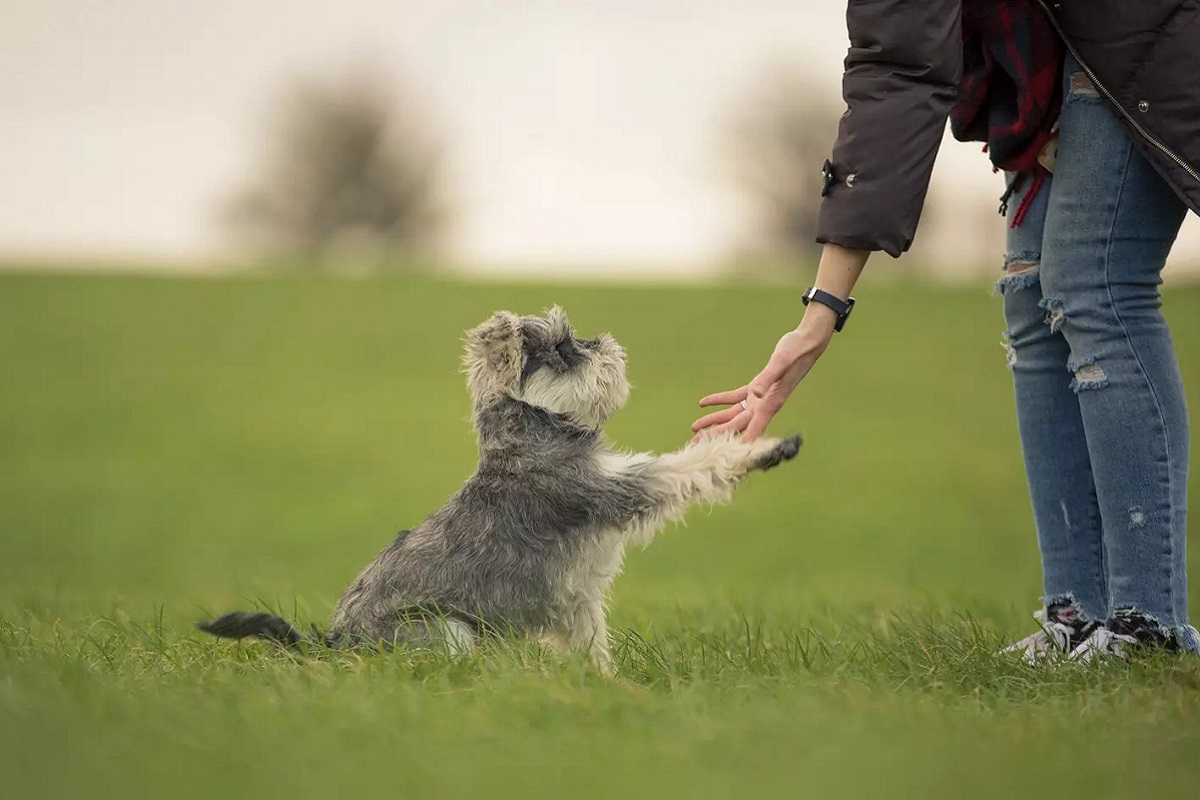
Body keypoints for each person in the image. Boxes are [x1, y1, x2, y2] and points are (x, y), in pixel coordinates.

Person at [691, 0, 1200, 660]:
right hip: (1068, 51)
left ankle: (1145, 627)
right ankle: (1077, 615)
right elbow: (899, 71)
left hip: (1144, 30)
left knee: (1095, 287)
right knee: (1029, 291)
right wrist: (820, 313)